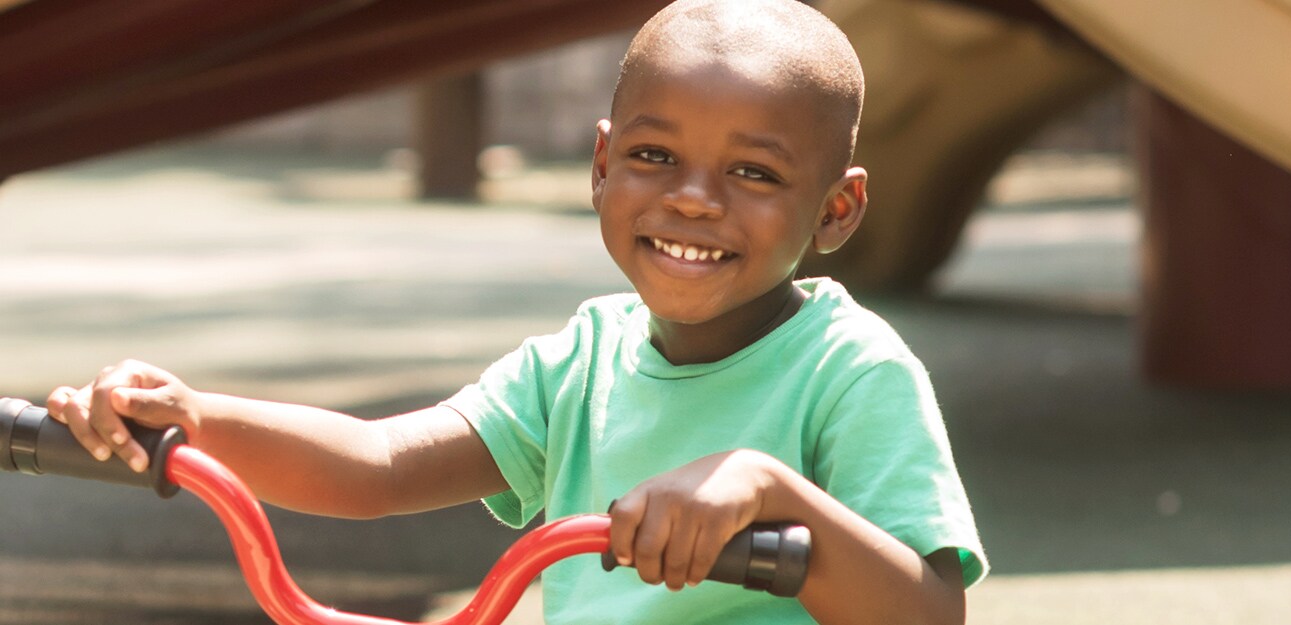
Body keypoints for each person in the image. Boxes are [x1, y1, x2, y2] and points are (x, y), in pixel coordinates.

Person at [46, 0, 987, 623]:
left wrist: (768, 490)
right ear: (601, 167)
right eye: (655, 157)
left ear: (836, 210)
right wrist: (198, 415)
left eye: (753, 172)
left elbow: (929, 612)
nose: (693, 200)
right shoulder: (582, 361)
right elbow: (379, 465)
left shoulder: (849, 372)